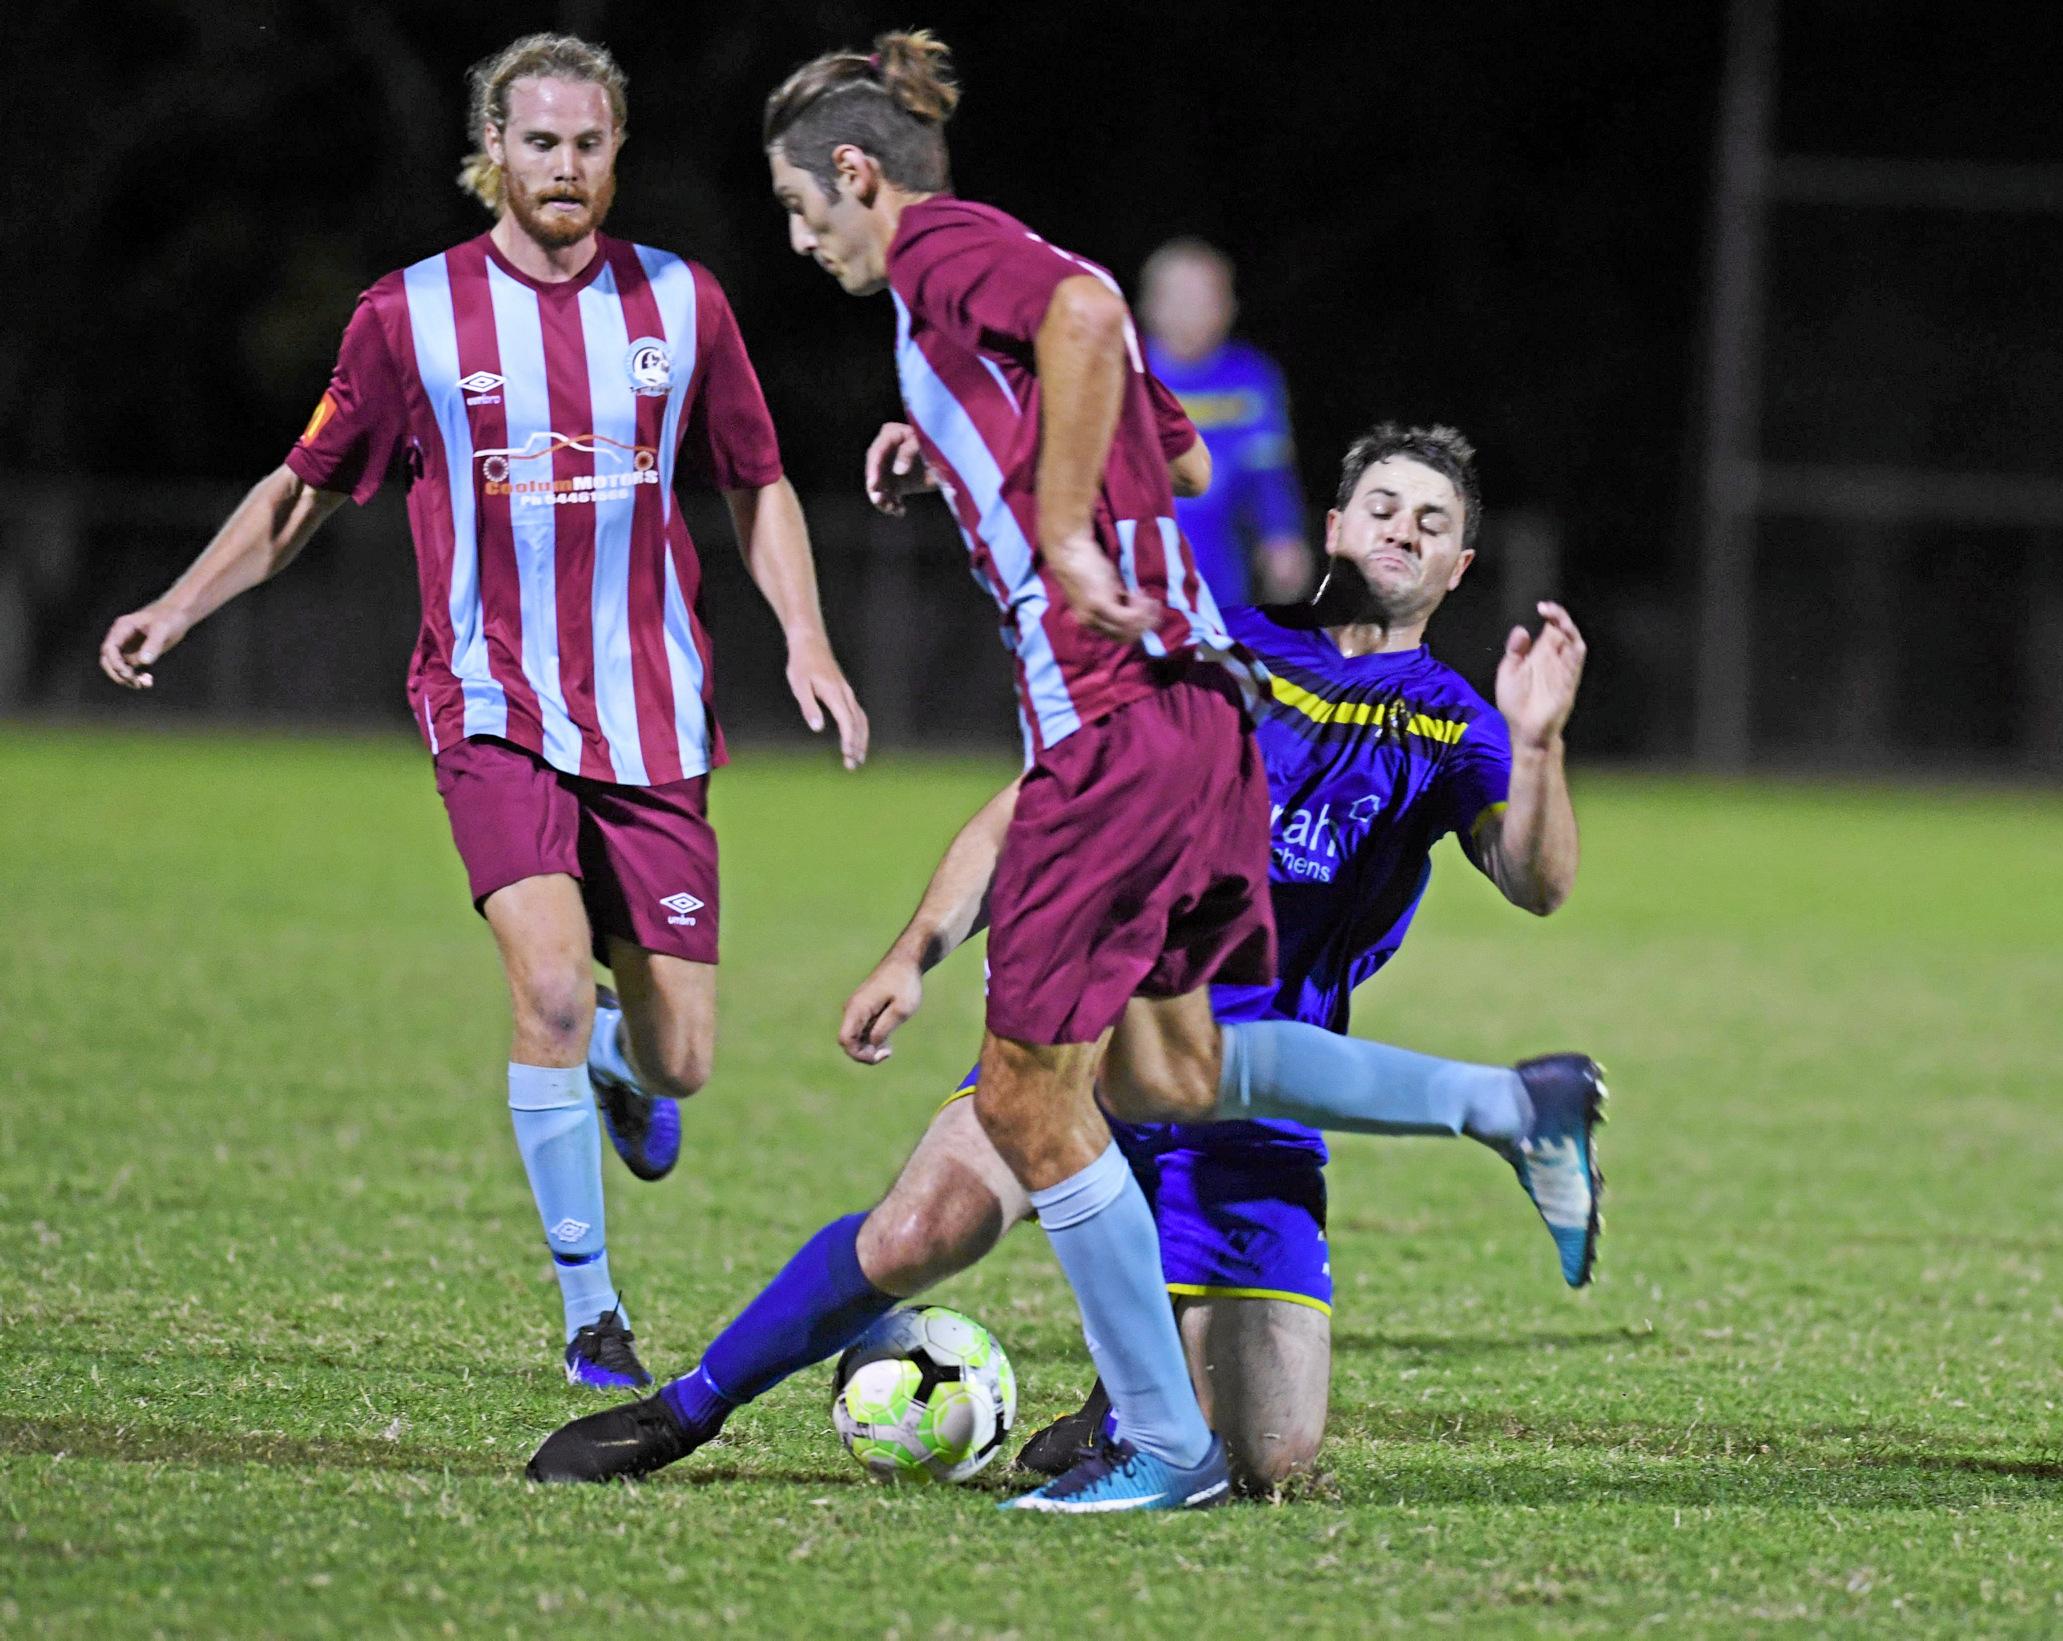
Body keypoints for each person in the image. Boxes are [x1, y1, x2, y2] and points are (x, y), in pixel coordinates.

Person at [650, 30, 1595, 1515]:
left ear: (852, 174)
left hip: (1123, 751)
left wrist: (1067, 528)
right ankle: (1492, 1111)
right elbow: (1187, 458)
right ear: (1339, 520)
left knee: (1131, 1230)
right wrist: (959, 445)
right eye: (1381, 504)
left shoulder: (943, 256)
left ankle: (1156, 1438)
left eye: (794, 206)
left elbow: (1086, 315)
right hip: (1164, 795)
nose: (796, 238)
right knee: (1107, 1101)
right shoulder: (1242, 650)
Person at [524, 422, 1587, 1496]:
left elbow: (1534, 878)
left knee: (1268, 1459)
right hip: (1090, 1028)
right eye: (1384, 506)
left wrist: (1537, 746)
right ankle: (678, 1413)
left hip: (1252, 1095)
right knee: (918, 1231)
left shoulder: (1456, 729)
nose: (1401, 529)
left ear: (1457, 569)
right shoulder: (1216, 655)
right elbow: (1032, 810)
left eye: (1431, 522)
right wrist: (914, 954)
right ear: (1335, 527)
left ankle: (1128, 1403)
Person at [95, 34, 867, 1391]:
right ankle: (592, 1314)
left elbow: (758, 479)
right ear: (490, 154)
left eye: (587, 143)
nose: (562, 167)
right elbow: (302, 490)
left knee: (682, 1061)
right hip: (488, 696)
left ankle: (631, 1062)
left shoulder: (684, 305)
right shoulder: (408, 318)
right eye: (537, 142)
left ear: (615, 151)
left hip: (651, 711)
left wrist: (805, 636)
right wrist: (176, 603)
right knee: (552, 987)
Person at [1137, 239, 1313, 605]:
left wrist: (1283, 536)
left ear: (1229, 307)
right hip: (1132, 568)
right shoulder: (1119, 374)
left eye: (1206, 300)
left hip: (1221, 567)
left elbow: (1269, 470)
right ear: (1149, 305)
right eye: (1179, 299)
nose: (1192, 314)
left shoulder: (1250, 376)